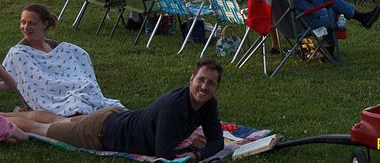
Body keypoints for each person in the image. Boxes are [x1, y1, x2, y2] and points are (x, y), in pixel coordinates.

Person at [5, 59, 225, 160]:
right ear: (191, 80)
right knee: (40, 128)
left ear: (217, 88)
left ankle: (5, 115)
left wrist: (198, 151)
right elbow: (164, 154)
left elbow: (218, 141)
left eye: (210, 83)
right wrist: (197, 154)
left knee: (57, 119)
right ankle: (3, 121)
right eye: (201, 80)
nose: (204, 87)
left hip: (114, 116)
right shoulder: (174, 108)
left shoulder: (208, 103)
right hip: (101, 133)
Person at [1, 4, 122, 116]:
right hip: (52, 97)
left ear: (44, 24)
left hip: (77, 87)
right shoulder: (19, 54)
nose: (26, 27)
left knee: (85, 90)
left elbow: (74, 67)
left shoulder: (59, 47)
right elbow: (13, 82)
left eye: (32, 23)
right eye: (23, 22)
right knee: (77, 103)